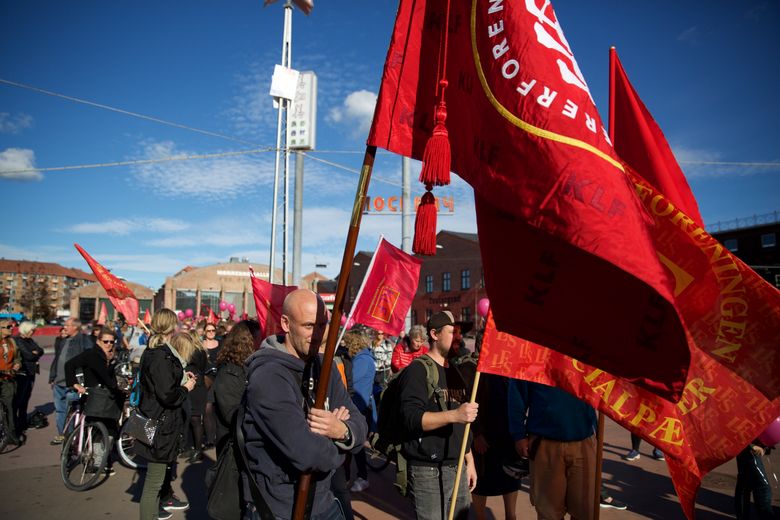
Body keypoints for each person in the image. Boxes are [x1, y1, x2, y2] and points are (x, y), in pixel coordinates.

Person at [242, 289, 368, 520]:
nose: (318, 335)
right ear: (286, 323)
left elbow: (360, 423)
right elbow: (307, 454)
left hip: (324, 501)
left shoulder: (324, 366)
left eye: (322, 325)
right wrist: (340, 445)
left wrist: (343, 431)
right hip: (280, 508)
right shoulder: (269, 376)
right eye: (309, 326)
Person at [397, 310, 479, 520]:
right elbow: (411, 419)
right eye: (453, 332)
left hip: (458, 465)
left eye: (460, 333)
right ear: (434, 334)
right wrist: (454, 415)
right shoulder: (417, 370)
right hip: (428, 471)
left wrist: (469, 461)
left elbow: (463, 425)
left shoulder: (454, 369)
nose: (458, 337)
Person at [136, 310, 197, 520]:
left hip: (156, 421)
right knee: (153, 483)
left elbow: (161, 385)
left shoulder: (153, 351)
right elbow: (167, 396)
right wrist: (186, 388)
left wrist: (180, 376)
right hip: (160, 425)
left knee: (155, 480)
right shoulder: (160, 355)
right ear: (172, 326)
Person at [508, 379, 597, 520]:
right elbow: (517, 395)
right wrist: (518, 435)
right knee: (549, 513)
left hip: (584, 440)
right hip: (545, 444)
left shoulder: (590, 357)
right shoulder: (532, 357)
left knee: (586, 510)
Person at [64, 326, 125, 476]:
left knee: (108, 430)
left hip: (105, 397)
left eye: (112, 342)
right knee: (97, 431)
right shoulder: (91, 354)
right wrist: (75, 384)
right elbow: (69, 365)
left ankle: (101, 460)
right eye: (106, 341)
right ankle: (95, 463)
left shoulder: (110, 356)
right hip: (93, 396)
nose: (109, 344)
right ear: (98, 341)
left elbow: (110, 377)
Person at [471, 373, 523, 520]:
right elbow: (469, 400)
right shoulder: (478, 369)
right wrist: (477, 434)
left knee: (510, 481)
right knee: (481, 483)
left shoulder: (514, 372)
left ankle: (511, 516)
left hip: (509, 438)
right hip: (485, 439)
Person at [49, 317, 91, 445]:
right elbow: (57, 359)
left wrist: (83, 380)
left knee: (73, 411)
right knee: (60, 411)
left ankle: (73, 437)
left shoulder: (84, 340)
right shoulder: (63, 340)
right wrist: (52, 376)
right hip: (58, 382)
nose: (64, 328)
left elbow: (90, 359)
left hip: (73, 384)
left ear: (75, 327)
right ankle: (62, 435)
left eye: (67, 325)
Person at [212, 322, 253, 452]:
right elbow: (232, 415)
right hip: (233, 446)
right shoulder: (228, 373)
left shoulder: (250, 368)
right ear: (248, 342)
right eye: (259, 338)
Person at [347, 330, 375, 493]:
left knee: (357, 445)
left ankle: (363, 477)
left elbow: (350, 378)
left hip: (359, 407)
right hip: (357, 405)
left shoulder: (363, 360)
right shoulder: (362, 358)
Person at [13, 321, 44, 437]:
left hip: (31, 372)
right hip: (23, 373)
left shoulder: (30, 341)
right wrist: (35, 354)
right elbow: (29, 355)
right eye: (32, 330)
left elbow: (41, 350)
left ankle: (22, 422)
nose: (33, 332)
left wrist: (36, 353)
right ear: (26, 330)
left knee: (26, 398)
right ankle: (15, 424)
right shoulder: (18, 341)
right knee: (19, 399)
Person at [183, 330, 208, 462]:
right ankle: (194, 448)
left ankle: (198, 450)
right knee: (193, 419)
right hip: (196, 387)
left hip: (196, 387)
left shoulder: (195, 352)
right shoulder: (201, 351)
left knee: (195, 419)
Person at [734, 440, 774, 519]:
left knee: (745, 483)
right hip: (748, 445)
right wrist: (751, 446)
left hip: (749, 444)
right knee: (762, 487)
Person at [0, 318, 22, 445]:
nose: (11, 328)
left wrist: (17, 364)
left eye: (12, 326)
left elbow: (18, 358)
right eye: (8, 327)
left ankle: (11, 434)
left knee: (9, 407)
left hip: (9, 379)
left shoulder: (11, 342)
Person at [202, 322, 222, 448]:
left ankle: (217, 434)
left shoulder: (220, 344)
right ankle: (210, 438)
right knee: (208, 408)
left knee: (218, 408)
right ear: (204, 332)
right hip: (206, 379)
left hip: (219, 379)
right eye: (208, 331)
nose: (211, 333)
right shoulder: (201, 345)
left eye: (213, 330)